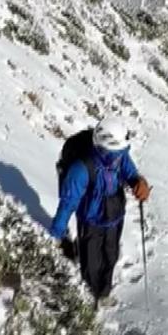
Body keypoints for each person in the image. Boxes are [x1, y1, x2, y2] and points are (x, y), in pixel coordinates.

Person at [50, 117, 150, 307]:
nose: (120, 156)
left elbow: (129, 171)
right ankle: (90, 299)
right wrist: (57, 232)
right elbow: (68, 203)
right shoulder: (80, 169)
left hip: (114, 218)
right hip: (90, 222)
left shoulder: (119, 157)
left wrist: (138, 182)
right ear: (103, 148)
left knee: (111, 256)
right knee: (91, 264)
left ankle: (103, 293)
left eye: (122, 152)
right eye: (117, 153)